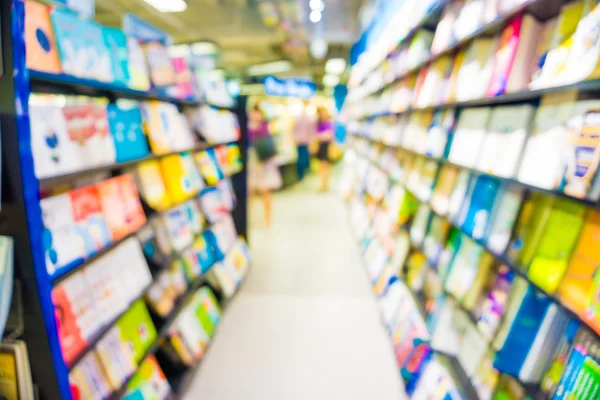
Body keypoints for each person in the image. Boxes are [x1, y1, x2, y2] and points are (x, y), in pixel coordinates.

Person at [248, 104, 282, 228]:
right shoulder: (248, 126)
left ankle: (267, 218)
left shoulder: (264, 127)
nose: (255, 115)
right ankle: (249, 218)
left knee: (265, 191)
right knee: (250, 191)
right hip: (252, 162)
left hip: (264, 163)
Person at [292, 101, 316, 181]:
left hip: (304, 142)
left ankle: (302, 174)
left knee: (303, 158)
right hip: (301, 142)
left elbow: (311, 132)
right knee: (302, 159)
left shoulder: (307, 118)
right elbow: (294, 129)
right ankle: (301, 174)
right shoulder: (300, 118)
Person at [315, 106, 334, 191]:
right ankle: (323, 183)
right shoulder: (317, 122)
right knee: (322, 166)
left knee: (325, 166)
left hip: (327, 146)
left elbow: (330, 135)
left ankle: (324, 183)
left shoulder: (329, 122)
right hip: (320, 146)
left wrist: (320, 136)